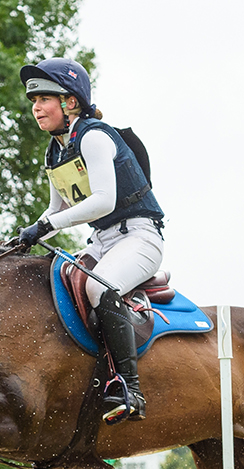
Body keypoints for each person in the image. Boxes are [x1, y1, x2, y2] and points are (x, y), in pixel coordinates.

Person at [14, 57, 165, 423]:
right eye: (33, 102)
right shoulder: (54, 150)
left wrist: (44, 226)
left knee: (99, 288)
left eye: (44, 100)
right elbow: (56, 209)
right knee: (51, 282)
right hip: (102, 241)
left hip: (139, 236)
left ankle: (131, 389)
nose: (36, 108)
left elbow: (103, 200)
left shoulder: (94, 136)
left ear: (70, 102)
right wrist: (24, 236)